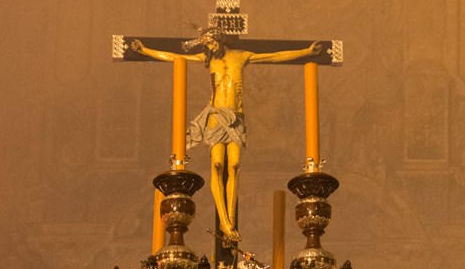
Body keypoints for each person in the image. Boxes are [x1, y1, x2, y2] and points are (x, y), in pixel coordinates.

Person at [130, 29, 322, 241]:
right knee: (217, 165)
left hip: (236, 117)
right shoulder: (208, 59)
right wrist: (146, 50)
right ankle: (224, 221)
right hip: (215, 115)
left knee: (235, 166)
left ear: (220, 40)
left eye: (212, 44)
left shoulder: (241, 56)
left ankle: (229, 217)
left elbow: (275, 56)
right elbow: (176, 57)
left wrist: (307, 51)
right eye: (208, 46)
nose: (210, 48)